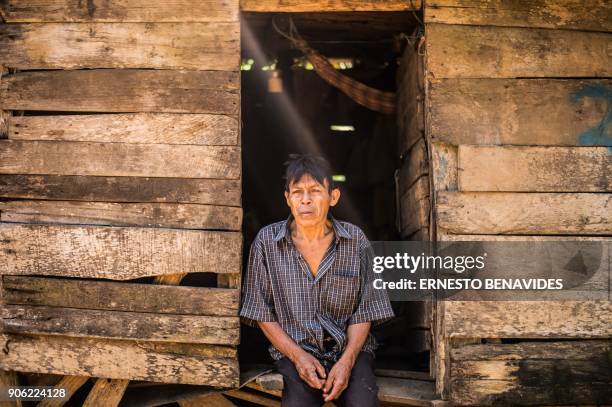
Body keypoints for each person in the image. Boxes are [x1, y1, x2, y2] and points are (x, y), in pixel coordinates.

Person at [240, 154, 394, 406]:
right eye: (297, 192)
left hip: (349, 349)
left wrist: (346, 361)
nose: (306, 200)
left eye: (315, 190)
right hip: (294, 349)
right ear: (287, 199)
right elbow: (260, 311)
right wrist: (298, 357)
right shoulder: (267, 243)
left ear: (333, 196)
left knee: (362, 401)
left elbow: (366, 310)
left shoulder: (355, 241)